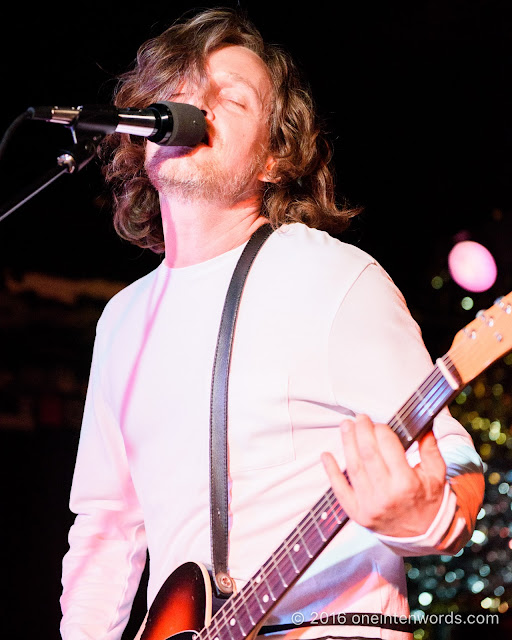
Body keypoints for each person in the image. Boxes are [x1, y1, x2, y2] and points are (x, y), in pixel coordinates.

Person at [60, 7, 485, 640]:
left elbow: (454, 459)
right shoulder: (122, 321)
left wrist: (421, 516)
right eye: (176, 95)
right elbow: (104, 530)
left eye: (228, 99)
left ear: (273, 159)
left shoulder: (335, 279)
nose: (193, 109)